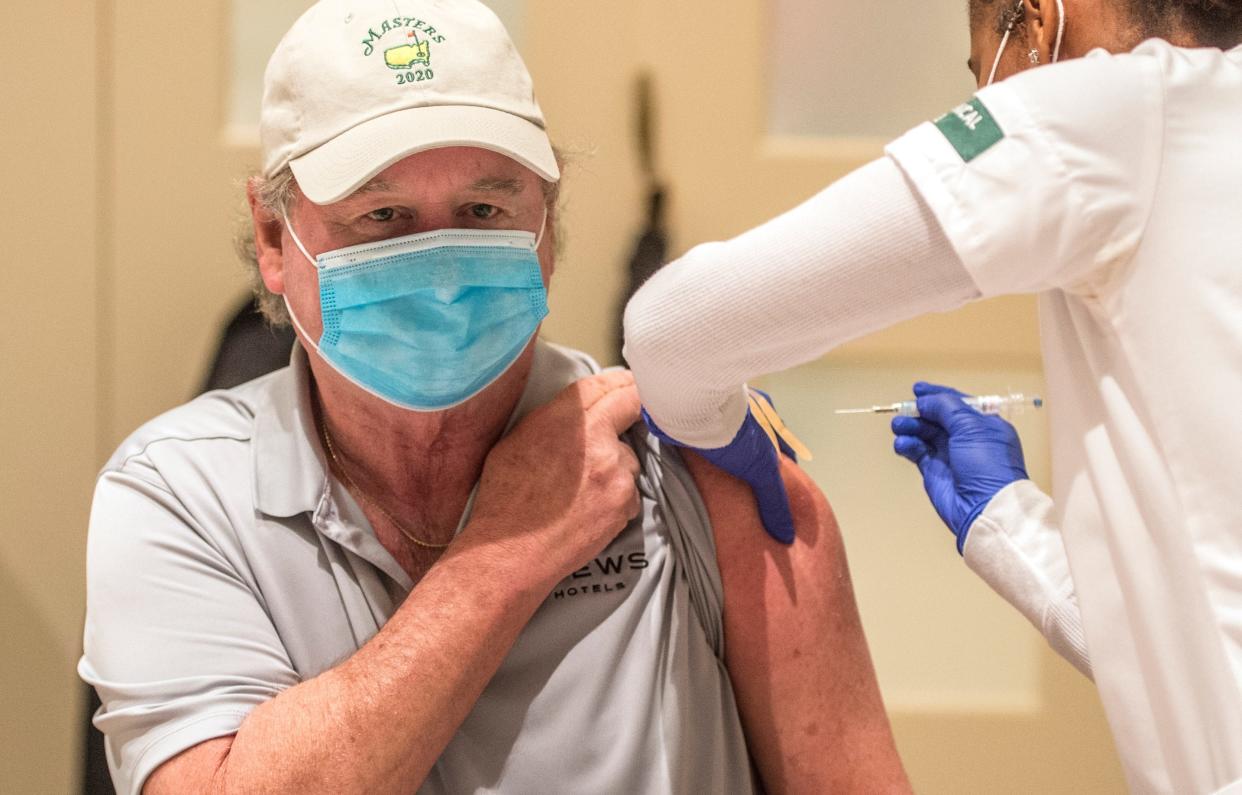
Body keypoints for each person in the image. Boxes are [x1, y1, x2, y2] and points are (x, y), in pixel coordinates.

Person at [79, 1, 911, 793]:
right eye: (384, 214)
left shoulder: (696, 462)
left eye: (484, 207)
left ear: (547, 224)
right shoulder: (179, 496)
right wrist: (508, 548)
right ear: (273, 235)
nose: (441, 268)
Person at [622, 1, 1242, 792]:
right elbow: (1196, 653)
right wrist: (1007, 517)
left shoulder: (1117, 110)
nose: (985, 93)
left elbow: (673, 330)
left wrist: (719, 431)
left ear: (1036, 18)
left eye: (980, 66)